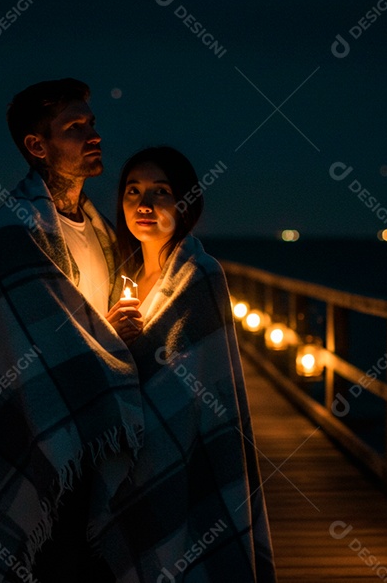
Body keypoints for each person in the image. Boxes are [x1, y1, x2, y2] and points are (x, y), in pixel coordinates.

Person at [0, 79, 142, 582]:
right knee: (49, 560)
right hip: (38, 423)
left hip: (91, 426)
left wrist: (113, 333)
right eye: (74, 127)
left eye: (91, 123)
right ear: (36, 146)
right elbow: (32, 343)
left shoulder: (100, 230)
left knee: (92, 560)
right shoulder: (13, 232)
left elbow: (88, 323)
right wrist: (109, 340)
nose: (92, 134)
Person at [94, 146, 277, 582]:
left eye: (160, 192)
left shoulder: (200, 274)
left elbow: (190, 383)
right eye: (133, 191)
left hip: (182, 444)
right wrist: (111, 335)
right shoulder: (126, 275)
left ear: (186, 202)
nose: (143, 205)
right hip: (134, 448)